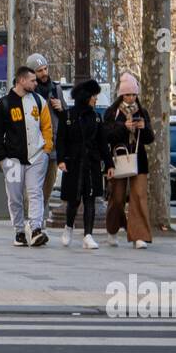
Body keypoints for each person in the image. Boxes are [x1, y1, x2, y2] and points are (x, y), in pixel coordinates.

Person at [0, 65, 53, 246]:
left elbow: (47, 127)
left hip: (37, 157)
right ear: (21, 81)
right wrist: (2, 159)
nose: (35, 83)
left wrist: (46, 151)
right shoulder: (4, 104)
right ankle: (19, 231)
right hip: (12, 160)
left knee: (35, 193)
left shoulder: (39, 101)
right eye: (32, 80)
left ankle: (36, 229)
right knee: (15, 196)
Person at [56, 78, 112, 249]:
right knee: (73, 200)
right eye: (94, 96)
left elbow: (103, 143)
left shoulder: (96, 118)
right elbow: (61, 141)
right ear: (86, 97)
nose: (96, 99)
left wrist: (109, 164)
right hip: (73, 163)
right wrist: (61, 160)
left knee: (91, 199)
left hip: (91, 164)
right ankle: (69, 227)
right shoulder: (68, 116)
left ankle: (88, 235)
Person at [103, 73, 155, 248]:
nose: (131, 98)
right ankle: (112, 229)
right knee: (117, 198)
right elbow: (107, 135)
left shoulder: (142, 112)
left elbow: (150, 138)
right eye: (127, 94)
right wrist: (123, 127)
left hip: (139, 160)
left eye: (133, 94)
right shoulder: (112, 112)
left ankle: (139, 236)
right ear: (121, 95)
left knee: (139, 197)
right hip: (118, 159)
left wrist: (143, 128)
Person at [29, 53, 64, 219]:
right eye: (39, 71)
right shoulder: (28, 92)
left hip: (52, 146)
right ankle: (35, 221)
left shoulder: (56, 89)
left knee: (48, 186)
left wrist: (61, 109)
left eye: (45, 69)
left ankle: (39, 218)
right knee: (33, 187)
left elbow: (66, 118)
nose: (44, 73)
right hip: (34, 146)